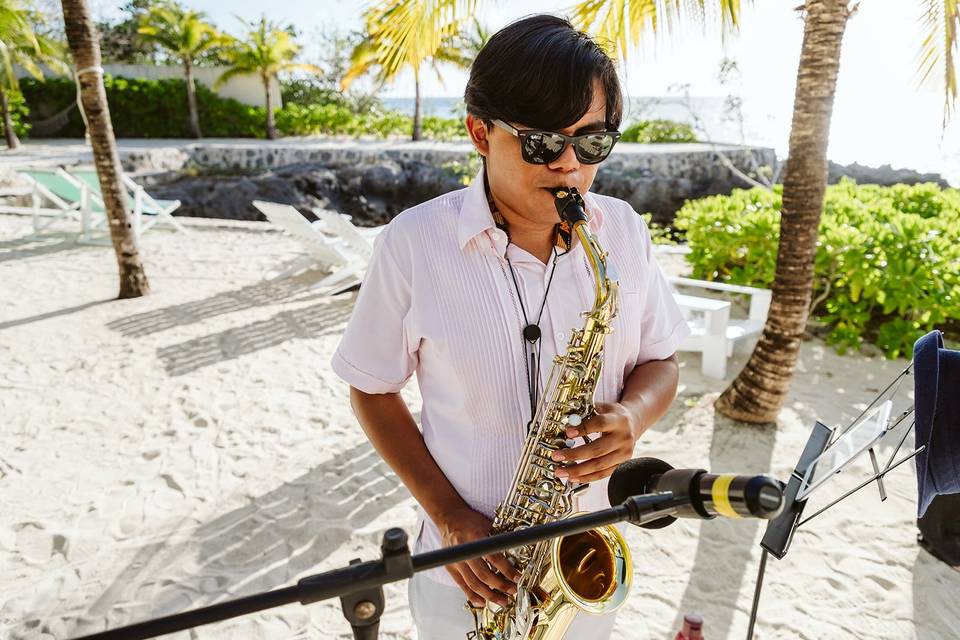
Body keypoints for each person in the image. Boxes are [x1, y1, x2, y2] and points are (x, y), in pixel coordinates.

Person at [331, 14, 690, 640]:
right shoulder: (414, 243)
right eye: (545, 143)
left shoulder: (624, 232)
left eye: (594, 143)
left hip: (579, 567)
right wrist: (447, 516)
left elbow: (662, 362)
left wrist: (633, 416)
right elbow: (371, 386)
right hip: (463, 577)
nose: (571, 167)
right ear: (479, 131)